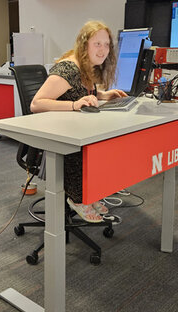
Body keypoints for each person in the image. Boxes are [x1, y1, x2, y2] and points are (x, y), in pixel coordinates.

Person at [30, 20, 127, 222]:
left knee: (103, 143)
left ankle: (89, 195)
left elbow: (78, 93)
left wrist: (102, 95)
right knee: (91, 149)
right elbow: (36, 103)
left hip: (73, 130)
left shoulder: (87, 67)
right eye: (97, 44)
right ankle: (78, 198)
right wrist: (74, 105)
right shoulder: (68, 69)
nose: (103, 50)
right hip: (57, 140)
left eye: (106, 44)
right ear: (84, 45)